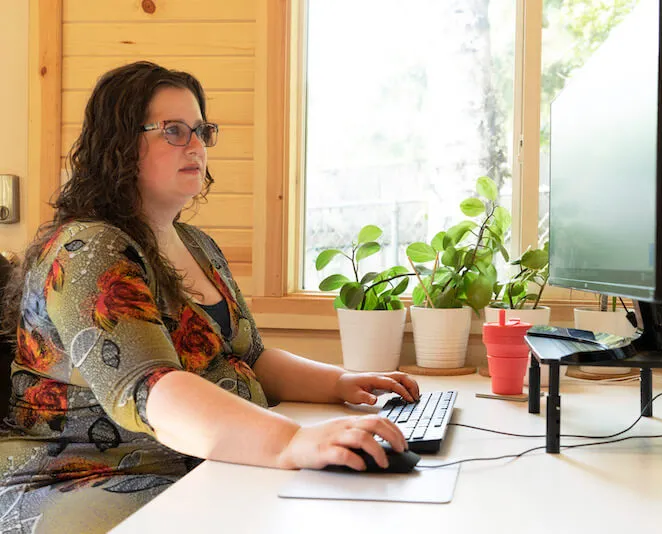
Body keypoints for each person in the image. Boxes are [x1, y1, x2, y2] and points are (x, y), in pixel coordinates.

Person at [0, 61, 419, 533]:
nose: (196, 146)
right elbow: (153, 391)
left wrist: (343, 383)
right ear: (117, 143)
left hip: (200, 462)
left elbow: (252, 356)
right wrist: (292, 442)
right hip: (94, 476)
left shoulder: (198, 244)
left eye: (202, 130)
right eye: (174, 131)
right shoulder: (88, 248)